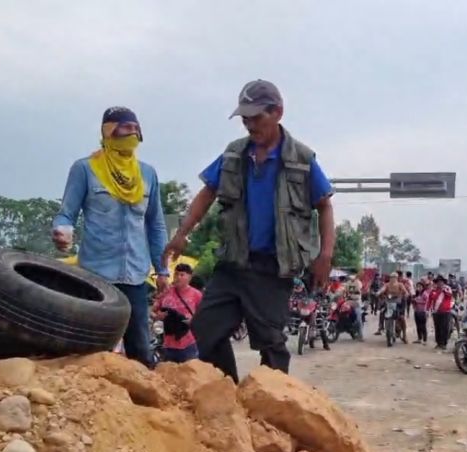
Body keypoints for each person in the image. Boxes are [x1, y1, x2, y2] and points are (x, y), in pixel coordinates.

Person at [163, 79, 335, 383]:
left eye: (256, 117)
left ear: (278, 112)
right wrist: (182, 232)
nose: (249, 125)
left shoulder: (302, 160)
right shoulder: (234, 155)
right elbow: (207, 192)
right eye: (245, 119)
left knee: (269, 340)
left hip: (272, 268)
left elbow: (324, 205)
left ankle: (274, 405)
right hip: (233, 262)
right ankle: (227, 391)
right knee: (205, 331)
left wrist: (325, 255)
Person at [53, 106, 168, 367]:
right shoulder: (85, 169)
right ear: (108, 131)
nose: (133, 133)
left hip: (136, 275)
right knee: (94, 349)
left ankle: (142, 404)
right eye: (126, 127)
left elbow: (156, 225)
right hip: (96, 275)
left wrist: (162, 270)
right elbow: (66, 214)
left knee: (140, 348)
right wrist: (62, 231)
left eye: (136, 128)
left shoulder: (147, 174)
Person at [152, 263, 203, 362]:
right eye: (176, 274)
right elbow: (152, 312)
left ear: (189, 277)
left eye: (182, 275)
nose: (178, 277)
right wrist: (158, 316)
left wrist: (193, 320)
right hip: (167, 344)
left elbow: (204, 314)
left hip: (189, 343)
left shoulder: (196, 295)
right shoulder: (166, 293)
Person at [376, 272, 410, 341]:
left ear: (397, 278)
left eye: (394, 277)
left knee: (402, 318)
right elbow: (382, 289)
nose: (393, 278)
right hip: (388, 303)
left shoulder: (400, 285)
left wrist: (406, 294)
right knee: (382, 312)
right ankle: (381, 327)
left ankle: (404, 335)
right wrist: (378, 292)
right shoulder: (387, 284)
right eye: (391, 277)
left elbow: (405, 291)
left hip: (398, 303)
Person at [427, 274, 455, 350]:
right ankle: (438, 343)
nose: (439, 283)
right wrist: (428, 309)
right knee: (437, 328)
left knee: (444, 328)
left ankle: (444, 343)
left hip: (445, 311)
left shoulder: (447, 288)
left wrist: (444, 290)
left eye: (441, 282)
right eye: (438, 282)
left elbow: (449, 295)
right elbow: (430, 300)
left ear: (443, 282)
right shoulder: (433, 290)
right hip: (436, 312)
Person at [343, 274, 364, 339]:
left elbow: (359, 289)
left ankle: (360, 335)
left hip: (356, 302)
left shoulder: (358, 282)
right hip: (348, 301)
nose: (352, 277)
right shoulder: (347, 283)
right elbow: (344, 291)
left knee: (358, 319)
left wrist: (352, 293)